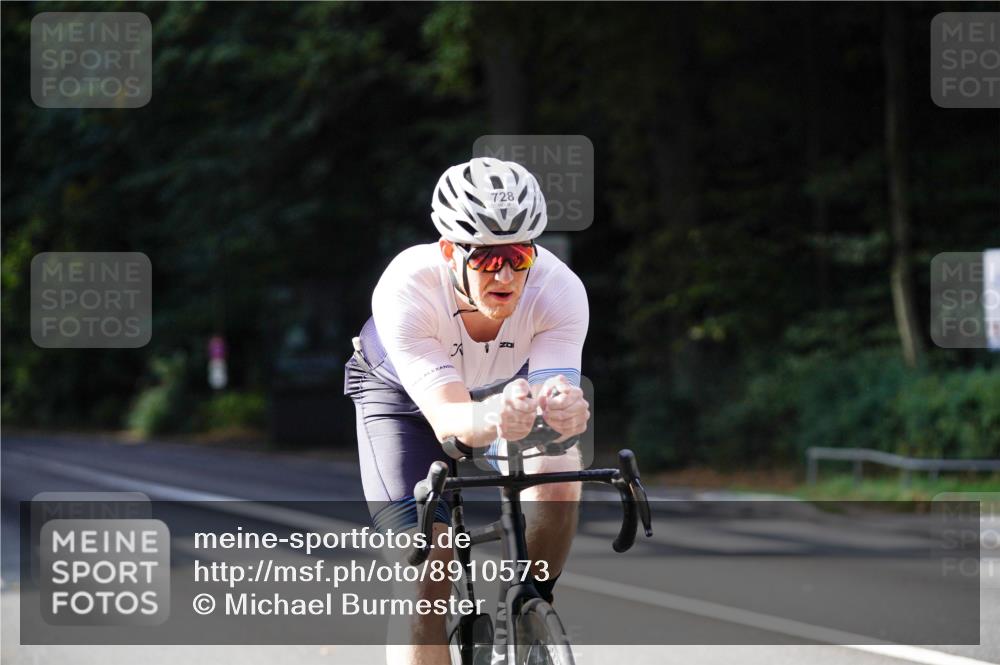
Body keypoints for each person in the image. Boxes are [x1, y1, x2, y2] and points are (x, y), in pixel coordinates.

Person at [345, 157, 590, 665]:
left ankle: (529, 611)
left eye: (519, 255)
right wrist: (497, 415)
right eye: (484, 258)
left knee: (562, 471)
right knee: (423, 581)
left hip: (506, 392)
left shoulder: (559, 289)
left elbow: (553, 393)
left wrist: (564, 412)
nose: (504, 272)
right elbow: (452, 421)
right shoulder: (406, 288)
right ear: (448, 251)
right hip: (406, 405)